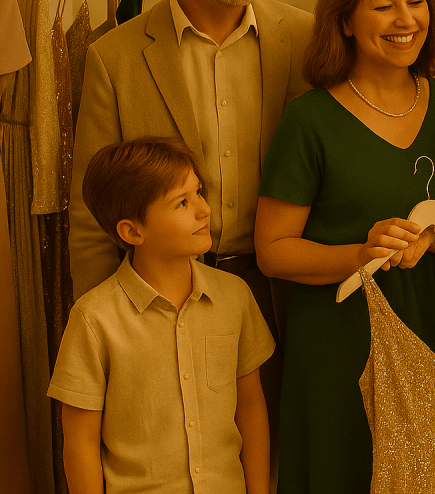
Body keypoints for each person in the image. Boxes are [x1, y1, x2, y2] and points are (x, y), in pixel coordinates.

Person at [69, 0, 312, 453]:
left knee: (282, 457)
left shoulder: (304, 40)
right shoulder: (115, 58)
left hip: (287, 293)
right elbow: (91, 213)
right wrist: (115, 331)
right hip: (165, 296)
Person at [254, 0, 435, 493]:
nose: (406, 19)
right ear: (345, 21)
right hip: (338, 342)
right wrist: (362, 253)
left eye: (417, 0)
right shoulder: (309, 120)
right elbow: (273, 251)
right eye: (384, 5)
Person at [49, 137, 275, 494]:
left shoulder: (235, 298)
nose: (203, 210)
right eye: (182, 202)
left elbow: (250, 407)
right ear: (132, 231)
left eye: (199, 192)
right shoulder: (93, 319)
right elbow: (80, 443)